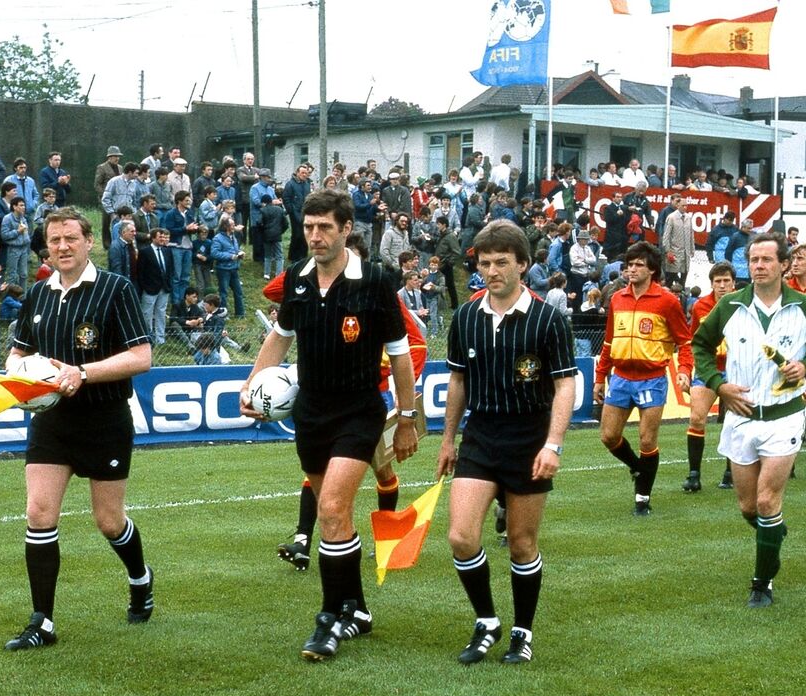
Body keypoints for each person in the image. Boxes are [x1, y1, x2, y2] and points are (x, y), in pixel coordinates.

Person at [240, 189, 418, 662]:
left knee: (334, 509)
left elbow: (400, 357)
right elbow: (279, 339)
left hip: (359, 412)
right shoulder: (297, 278)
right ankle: (357, 609)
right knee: (333, 516)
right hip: (311, 414)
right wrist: (251, 385)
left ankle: (330, 619)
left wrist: (407, 418)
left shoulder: (375, 281)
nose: (315, 236)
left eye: (324, 228)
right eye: (308, 227)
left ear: (345, 230)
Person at [2, 207, 154, 651]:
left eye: (71, 238)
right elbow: (16, 354)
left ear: (90, 241)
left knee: (108, 522)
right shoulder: (38, 294)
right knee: (39, 513)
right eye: (55, 240)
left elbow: (141, 357)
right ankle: (42, 622)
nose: (63, 247)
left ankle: (140, 578)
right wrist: (22, 375)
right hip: (52, 422)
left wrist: (81, 373)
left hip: (104, 419)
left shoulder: (115, 289)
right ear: (46, 247)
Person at [436, 220, 576, 664]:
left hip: (528, 437)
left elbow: (565, 386)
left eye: (501, 262)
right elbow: (457, 381)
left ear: (523, 264)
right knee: (460, 536)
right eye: (484, 263)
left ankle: (522, 631)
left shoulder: (548, 319)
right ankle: (487, 622)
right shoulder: (465, 317)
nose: (491, 271)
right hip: (481, 435)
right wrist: (447, 440)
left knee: (521, 543)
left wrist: (552, 444)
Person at [692, 233, 806, 607]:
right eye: (753, 260)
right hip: (740, 417)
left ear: (784, 265)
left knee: (768, 500)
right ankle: (773, 536)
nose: (758, 266)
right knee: (749, 508)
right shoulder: (730, 306)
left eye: (766, 260)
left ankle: (762, 582)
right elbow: (701, 346)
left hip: (784, 417)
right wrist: (718, 385)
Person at [594, 241, 693, 516]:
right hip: (621, 378)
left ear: (652, 269)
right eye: (629, 264)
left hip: (652, 379)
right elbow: (609, 341)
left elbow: (685, 342)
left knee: (647, 440)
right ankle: (638, 467)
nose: (632, 269)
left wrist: (684, 371)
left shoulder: (668, 301)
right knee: (608, 436)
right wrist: (600, 376)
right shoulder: (616, 299)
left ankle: (642, 498)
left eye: (639, 264)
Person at [682, 262, 737, 492]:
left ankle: (730, 471)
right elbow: (692, 340)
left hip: (736, 369)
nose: (722, 285)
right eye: (718, 281)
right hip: (708, 368)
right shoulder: (700, 306)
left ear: (734, 282)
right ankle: (694, 474)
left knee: (735, 423)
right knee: (696, 418)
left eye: (726, 281)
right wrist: (685, 369)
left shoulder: (744, 304)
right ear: (711, 283)